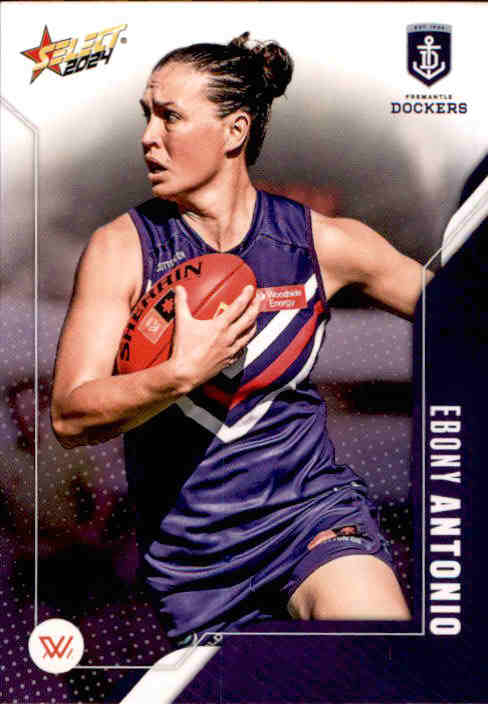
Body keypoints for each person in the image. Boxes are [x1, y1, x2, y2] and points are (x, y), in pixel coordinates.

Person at [51, 32, 428, 646]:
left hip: (310, 518)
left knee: (374, 650)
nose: (148, 136)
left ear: (235, 131)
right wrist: (179, 374)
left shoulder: (323, 243)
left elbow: (461, 318)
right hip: (197, 566)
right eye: (146, 115)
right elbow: (70, 415)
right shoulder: (121, 250)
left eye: (170, 116)